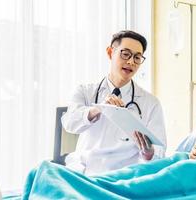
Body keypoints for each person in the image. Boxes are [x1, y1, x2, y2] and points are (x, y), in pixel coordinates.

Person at [22, 24, 196, 199]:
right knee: (170, 163)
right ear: (111, 53)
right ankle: (61, 180)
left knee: (176, 173)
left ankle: (89, 193)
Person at [61, 30, 167, 175]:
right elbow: (69, 123)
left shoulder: (151, 103)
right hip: (86, 172)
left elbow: (160, 153)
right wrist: (98, 109)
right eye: (125, 54)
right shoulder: (85, 91)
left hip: (124, 176)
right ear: (110, 52)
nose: (131, 62)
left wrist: (149, 153)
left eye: (137, 57)